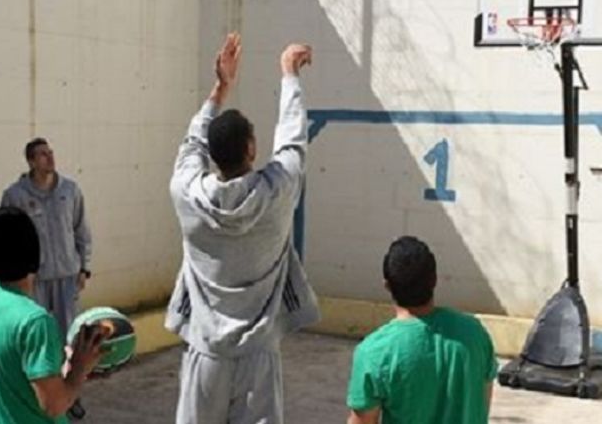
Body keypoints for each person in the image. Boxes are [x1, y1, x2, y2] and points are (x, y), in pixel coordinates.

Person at [166, 32, 319, 424]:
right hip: (259, 356)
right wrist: (289, 75)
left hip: (205, 352)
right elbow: (292, 142)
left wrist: (220, 88)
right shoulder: (276, 194)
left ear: (211, 157)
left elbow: (191, 142)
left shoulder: (186, 195)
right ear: (252, 149)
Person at [0, 207, 107, 423]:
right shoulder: (35, 322)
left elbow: (10, 374)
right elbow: (54, 405)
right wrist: (79, 367)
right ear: (36, 256)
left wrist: (59, 363)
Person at [346, 236, 498, 424]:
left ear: (387, 285)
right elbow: (482, 402)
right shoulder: (474, 333)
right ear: (434, 280)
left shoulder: (373, 352)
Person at [1, 139, 93, 419]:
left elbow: (81, 230)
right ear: (30, 161)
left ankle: (70, 396)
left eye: (50, 152)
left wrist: (84, 267)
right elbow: (7, 235)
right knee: (36, 340)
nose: (49, 158)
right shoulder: (15, 196)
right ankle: (35, 397)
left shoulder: (70, 190)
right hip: (33, 280)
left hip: (66, 278)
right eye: (42, 155)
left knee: (68, 339)